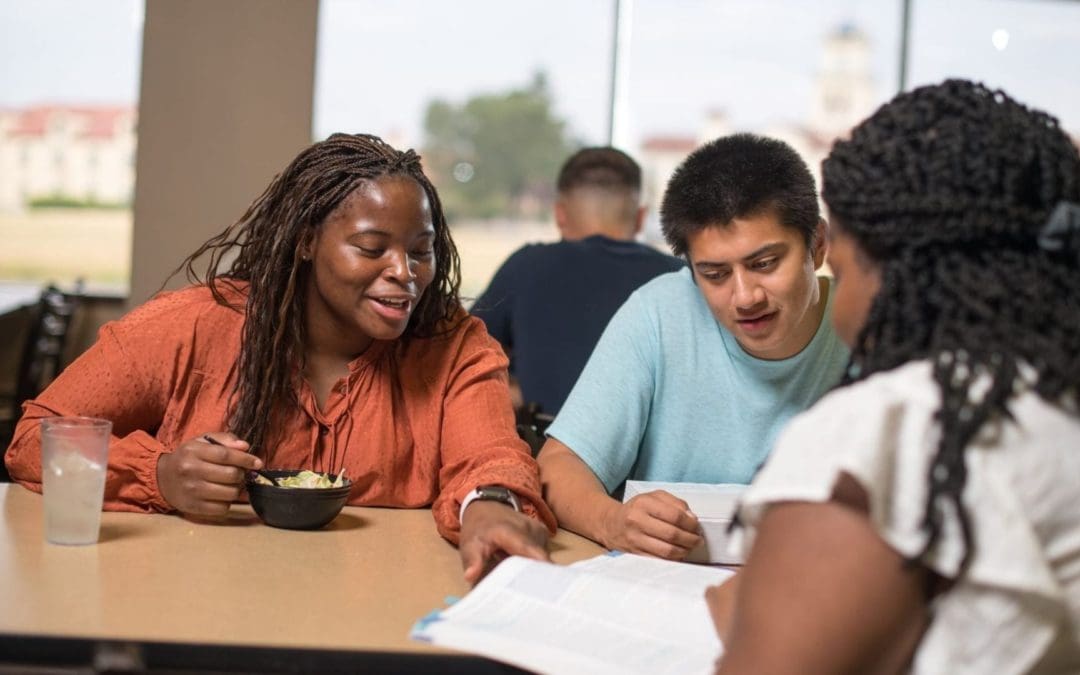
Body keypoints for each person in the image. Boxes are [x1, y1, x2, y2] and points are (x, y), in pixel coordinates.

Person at [5, 133, 555, 584]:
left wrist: (488, 506)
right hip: (200, 610)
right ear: (306, 241)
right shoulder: (191, 326)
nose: (405, 274)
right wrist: (161, 475)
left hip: (378, 623)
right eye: (371, 248)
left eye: (420, 250)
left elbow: (489, 455)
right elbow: (35, 439)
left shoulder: (454, 346)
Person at [708, 80, 1080, 673]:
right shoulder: (1055, 399)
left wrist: (744, 625)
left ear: (883, 268)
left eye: (843, 264)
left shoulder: (889, 432)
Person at [537, 134, 850, 560]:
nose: (745, 297)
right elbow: (558, 466)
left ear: (816, 245)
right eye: (715, 274)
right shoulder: (658, 312)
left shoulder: (864, 328)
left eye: (764, 264)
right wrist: (612, 521)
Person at [472, 146, 683, 417]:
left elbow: (465, 357)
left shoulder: (527, 266)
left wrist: (514, 385)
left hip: (539, 450)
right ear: (641, 218)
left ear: (560, 214)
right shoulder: (679, 278)